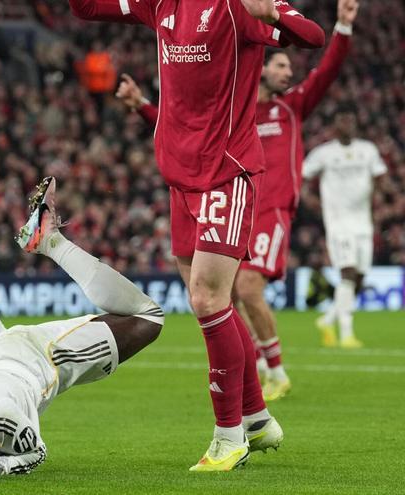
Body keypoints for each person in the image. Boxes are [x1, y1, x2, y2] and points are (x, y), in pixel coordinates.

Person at [67, 0, 323, 471]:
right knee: (214, 302)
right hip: (181, 179)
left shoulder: (237, 6)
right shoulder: (159, 3)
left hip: (228, 172)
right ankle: (258, 419)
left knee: (208, 300)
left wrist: (275, 14)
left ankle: (229, 438)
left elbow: (312, 36)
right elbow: (85, 8)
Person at [116, 0, 360, 402]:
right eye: (280, 66)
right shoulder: (231, 98)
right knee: (218, 300)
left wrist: (343, 29)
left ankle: (274, 371)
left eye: (287, 67)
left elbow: (325, 65)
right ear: (260, 66)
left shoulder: (291, 107)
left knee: (246, 286)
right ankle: (256, 386)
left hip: (267, 207)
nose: (287, 72)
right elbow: (184, 122)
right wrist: (143, 106)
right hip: (224, 198)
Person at [0, 177, 173, 478]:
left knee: (150, 317)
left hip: (35, 357)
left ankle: (50, 241)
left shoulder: (2, 418)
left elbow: (36, 453)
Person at [303, 107, 387, 349]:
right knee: (347, 273)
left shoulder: (367, 150)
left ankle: (327, 320)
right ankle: (346, 334)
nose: (348, 124)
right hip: (339, 223)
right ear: (334, 126)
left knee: (359, 279)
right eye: (342, 120)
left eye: (350, 119)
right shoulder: (324, 153)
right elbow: (303, 175)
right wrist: (311, 200)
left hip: (363, 222)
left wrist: (380, 198)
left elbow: (380, 176)